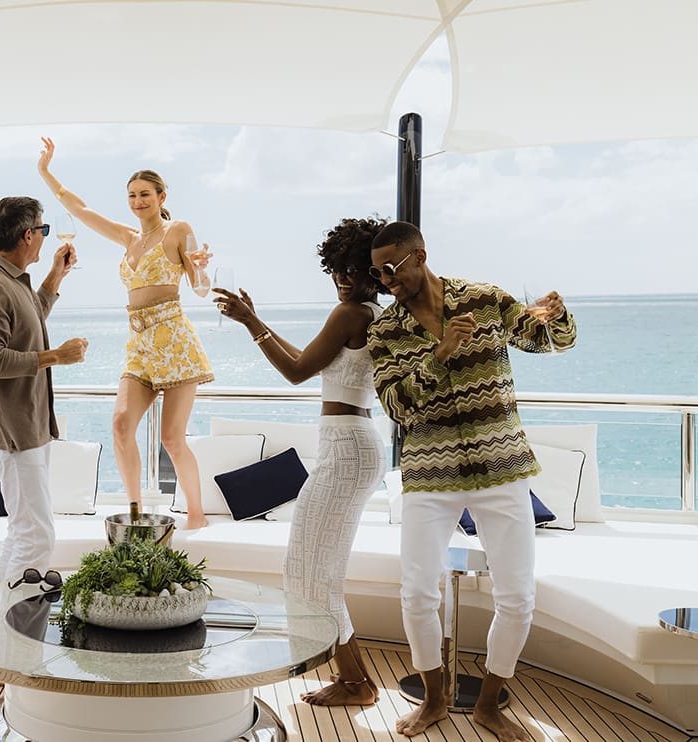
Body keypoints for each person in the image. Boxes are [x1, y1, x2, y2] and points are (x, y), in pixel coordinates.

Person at [366, 221, 574, 741]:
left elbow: (550, 342)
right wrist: (439, 357)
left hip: (502, 468)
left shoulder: (484, 300)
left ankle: (488, 705)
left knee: (518, 596)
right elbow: (395, 406)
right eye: (379, 273)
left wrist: (558, 313)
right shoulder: (384, 333)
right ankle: (434, 699)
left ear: (420, 256)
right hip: (429, 473)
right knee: (416, 592)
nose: (387, 280)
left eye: (393, 268)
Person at [213, 216, 389, 706]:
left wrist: (251, 324)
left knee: (308, 570)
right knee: (313, 570)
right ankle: (355, 680)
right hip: (351, 444)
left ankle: (356, 683)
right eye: (337, 270)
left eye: (354, 270)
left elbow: (294, 372)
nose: (343, 280)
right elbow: (312, 362)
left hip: (348, 449)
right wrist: (259, 320)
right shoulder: (366, 314)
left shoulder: (352, 315)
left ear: (374, 272)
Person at [37, 137, 214, 529]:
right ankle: (134, 516)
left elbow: (201, 288)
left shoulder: (178, 230)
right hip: (138, 345)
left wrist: (199, 266)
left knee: (172, 438)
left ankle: (197, 517)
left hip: (175, 342)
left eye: (145, 194)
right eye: (132, 195)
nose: (138, 201)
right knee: (120, 425)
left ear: (161, 195)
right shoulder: (128, 238)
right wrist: (45, 171)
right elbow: (78, 208)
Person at [0, 196, 88, 583]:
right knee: (36, 537)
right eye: (43, 230)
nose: (44, 237)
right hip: (13, 433)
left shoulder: (11, 282)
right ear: (28, 235)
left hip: (27, 427)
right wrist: (56, 357)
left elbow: (29, 318)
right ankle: (12, 635)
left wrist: (56, 276)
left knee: (23, 532)